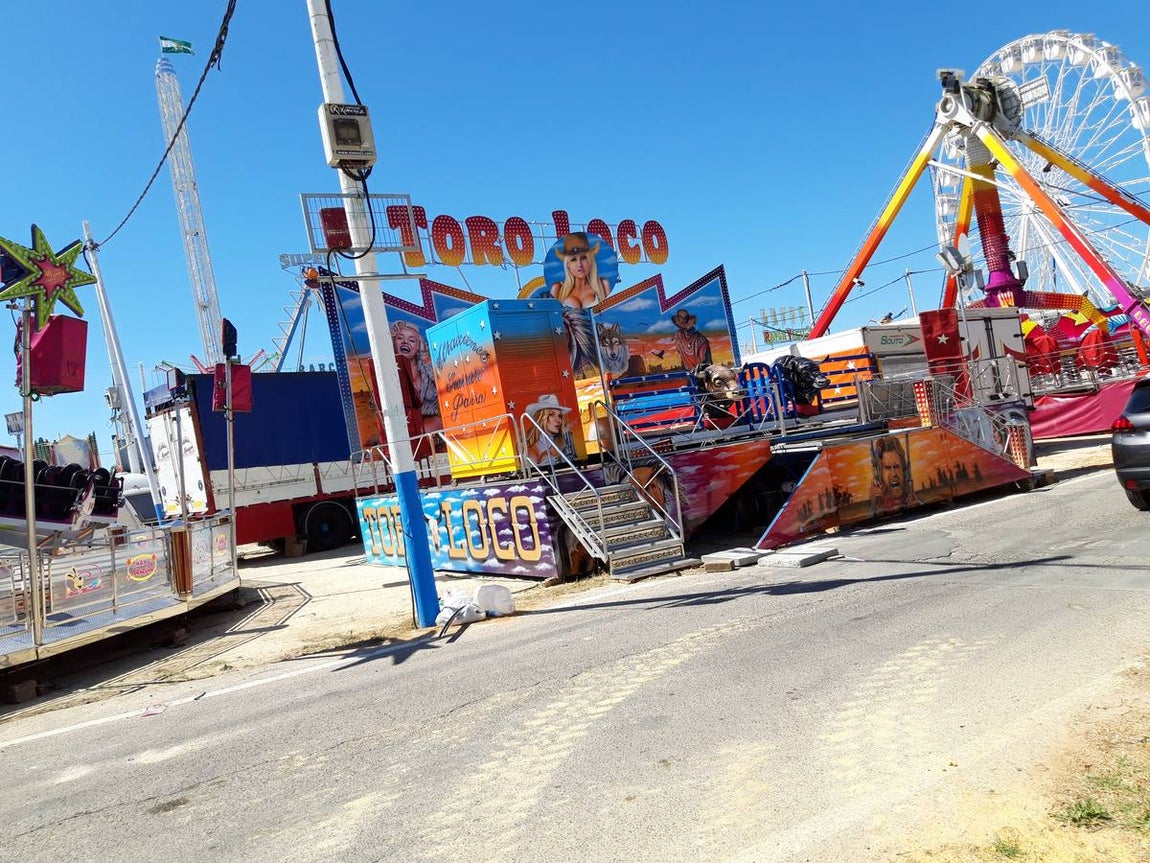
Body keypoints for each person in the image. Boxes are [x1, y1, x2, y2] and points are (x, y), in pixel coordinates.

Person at [391, 320, 441, 437]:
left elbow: (441, 382)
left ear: (419, 345)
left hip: (433, 426)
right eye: (400, 338)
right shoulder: (389, 370)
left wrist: (424, 356)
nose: (405, 342)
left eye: (412, 340)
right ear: (394, 343)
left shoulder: (426, 365)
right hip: (405, 428)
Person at [550, 233, 612, 309]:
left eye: (583, 258)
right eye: (573, 259)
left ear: (590, 260)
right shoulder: (557, 288)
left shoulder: (603, 284)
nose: (579, 264)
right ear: (567, 264)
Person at [870, 435, 916, 516]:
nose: (894, 474)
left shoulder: (915, 502)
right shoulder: (877, 507)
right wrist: (874, 504)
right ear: (880, 473)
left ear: (903, 468)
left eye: (896, 466)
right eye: (887, 468)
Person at [523, 394, 573, 466]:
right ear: (542, 418)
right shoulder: (531, 451)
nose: (558, 420)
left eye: (559, 416)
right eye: (552, 414)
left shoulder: (563, 442)